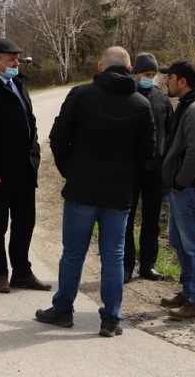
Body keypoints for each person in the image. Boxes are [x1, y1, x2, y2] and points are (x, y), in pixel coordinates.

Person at [36, 46, 155, 338]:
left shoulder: (80, 95)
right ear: (130, 70)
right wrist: (128, 177)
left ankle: (63, 310)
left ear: (101, 67)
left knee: (73, 253)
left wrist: (70, 172)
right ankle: (111, 319)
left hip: (81, 189)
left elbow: (58, 139)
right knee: (113, 256)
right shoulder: (141, 104)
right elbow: (148, 153)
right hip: (119, 193)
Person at [0, 38, 51, 294]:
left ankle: (22, 272)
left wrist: (35, 155)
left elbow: (30, 124)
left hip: (24, 169)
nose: (16, 63)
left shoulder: (19, 85)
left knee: (25, 223)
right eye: (11, 59)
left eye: (17, 58)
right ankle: (0, 273)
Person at [157, 60, 195, 321]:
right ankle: (188, 292)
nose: (166, 82)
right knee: (178, 241)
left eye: (170, 77)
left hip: (191, 189)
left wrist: (180, 183)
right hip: (183, 189)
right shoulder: (189, 105)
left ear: (182, 81)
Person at [124, 53, 173, 283]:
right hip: (131, 169)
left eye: (153, 75)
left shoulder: (162, 98)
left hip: (156, 169)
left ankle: (147, 265)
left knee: (152, 219)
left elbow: (171, 132)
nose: (150, 78)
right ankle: (126, 265)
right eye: (146, 74)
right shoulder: (126, 96)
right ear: (135, 73)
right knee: (126, 218)